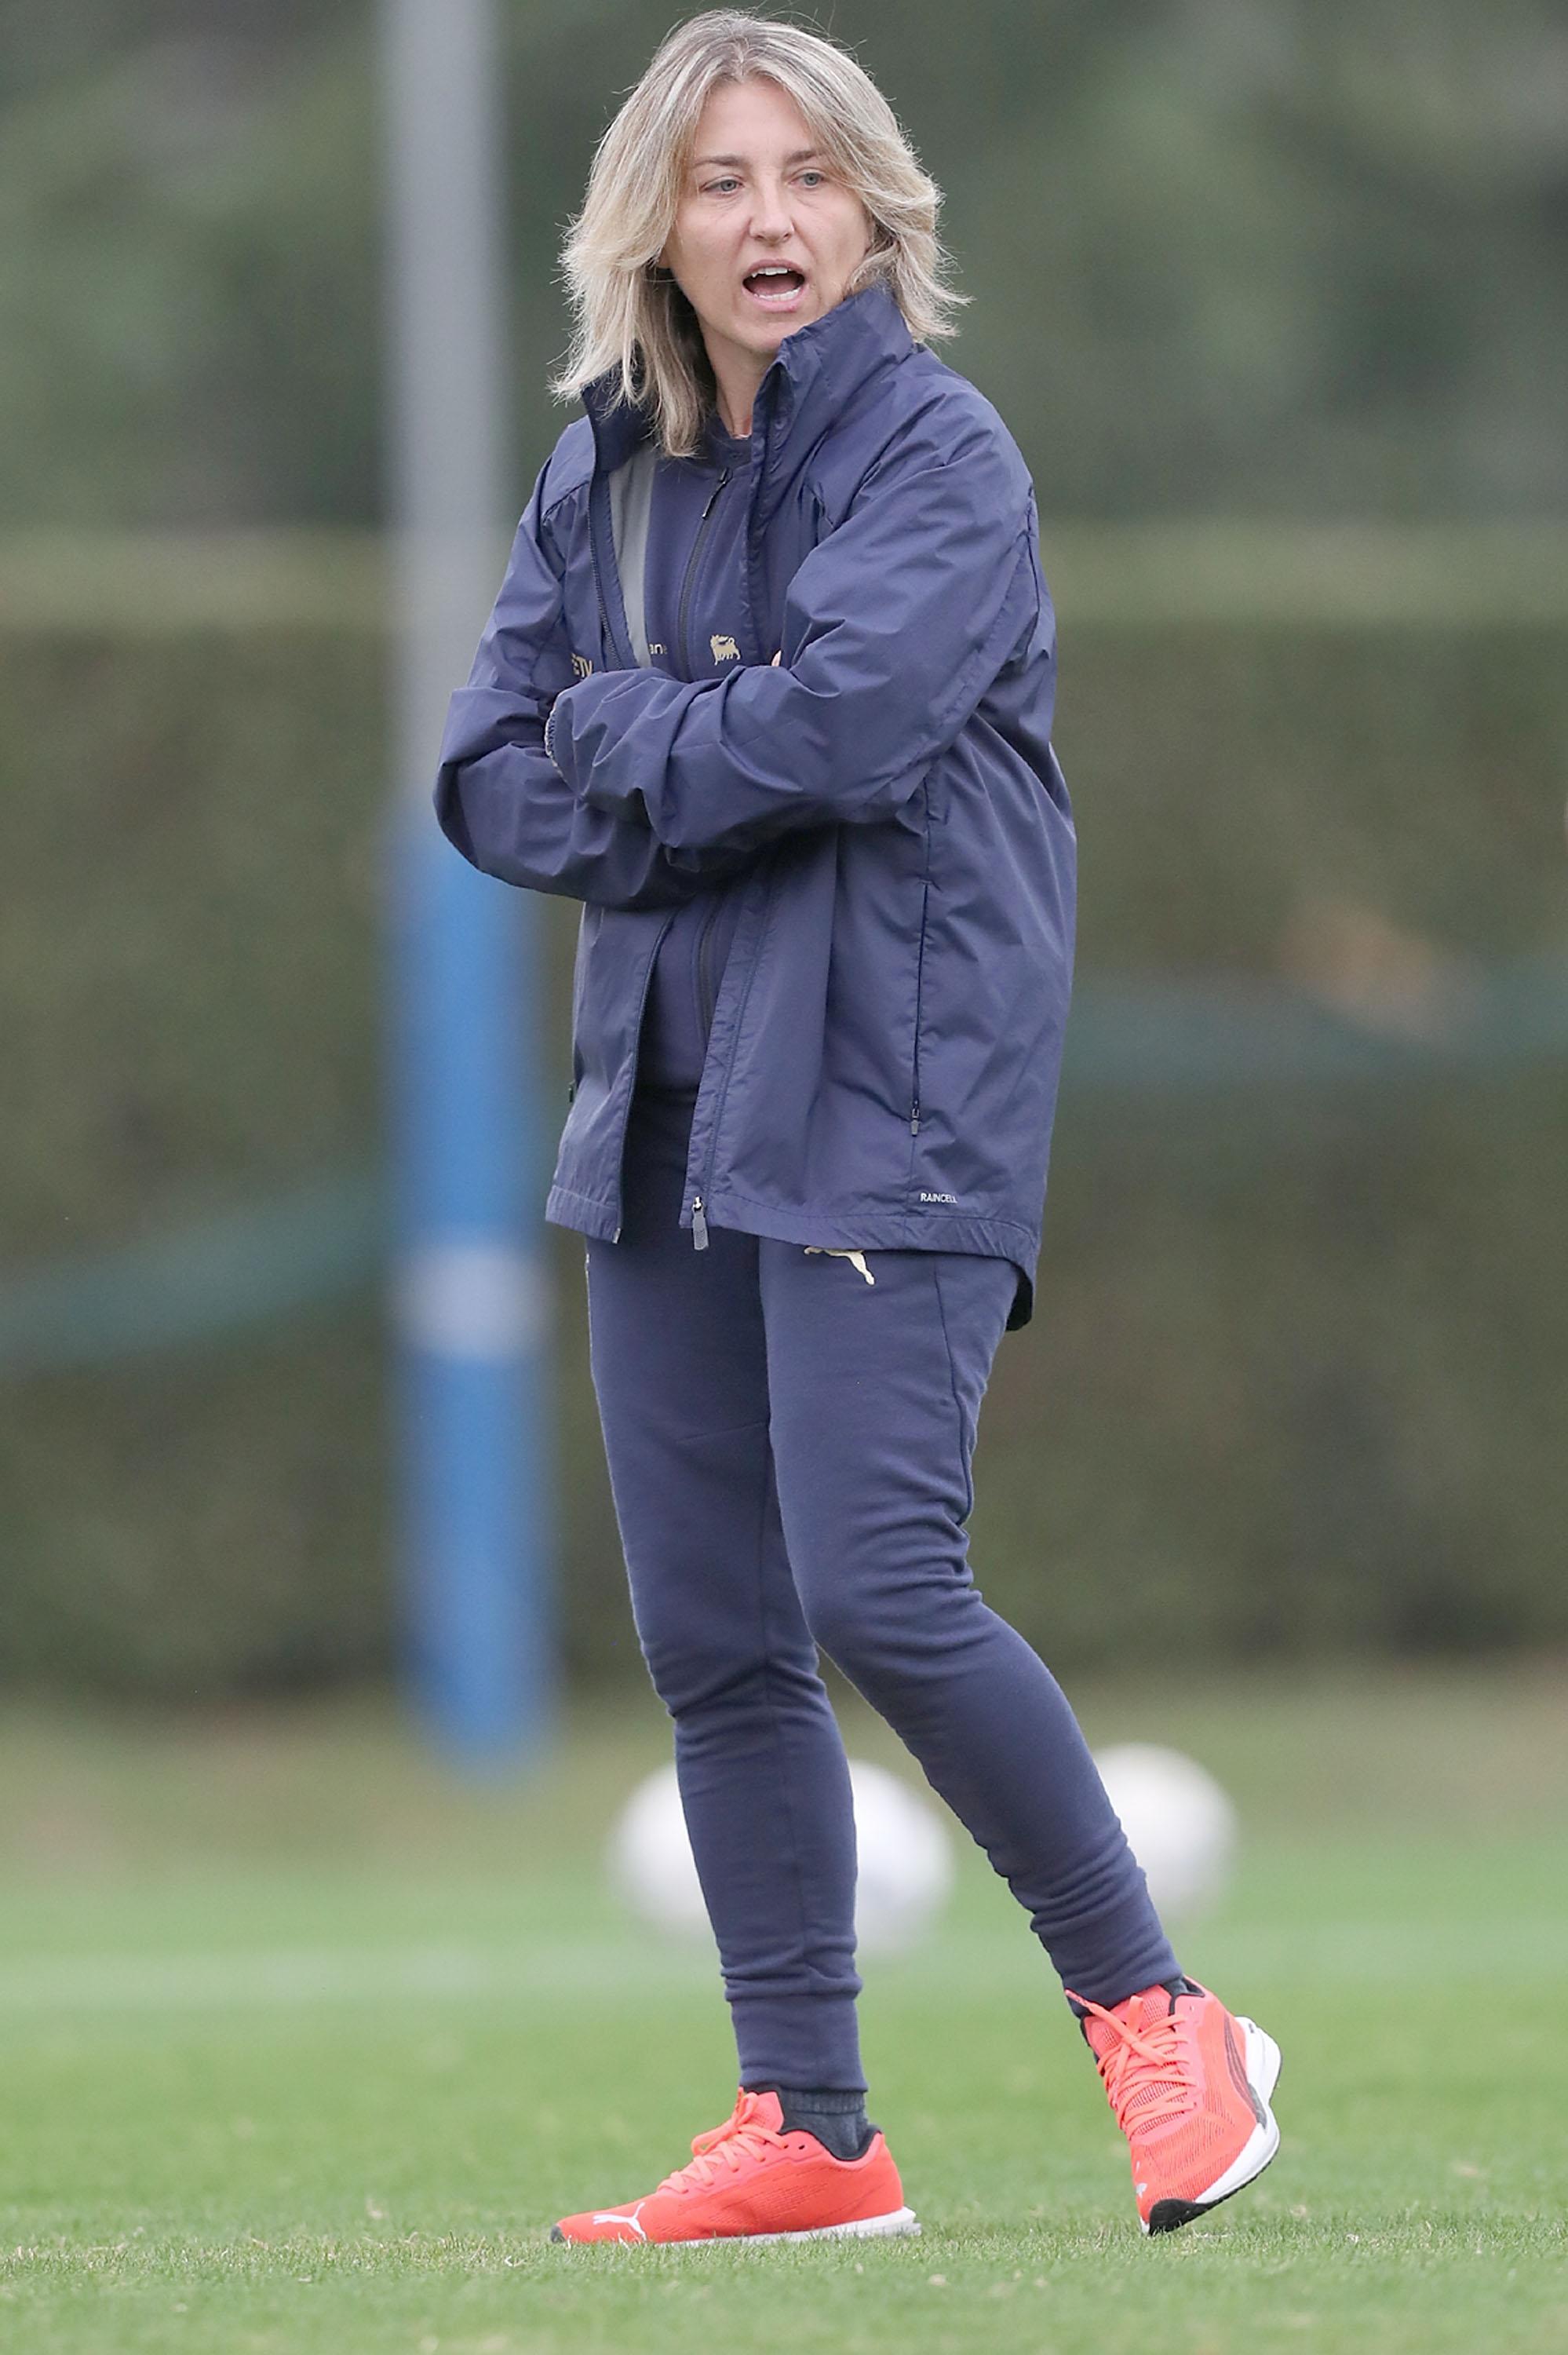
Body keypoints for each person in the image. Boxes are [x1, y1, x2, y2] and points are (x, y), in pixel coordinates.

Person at [436, 8, 1281, 2247]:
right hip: (663, 1113)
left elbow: (845, 737)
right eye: (721, 182)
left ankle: (1166, 2018)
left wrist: (648, 740)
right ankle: (812, 2131)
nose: (769, 218)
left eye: (808, 175)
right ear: (656, 225)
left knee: (879, 1587)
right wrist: (692, 734)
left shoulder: (941, 456)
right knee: (718, 1636)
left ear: (877, 209)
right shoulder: (597, 471)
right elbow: (484, 775)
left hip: (893, 1097)